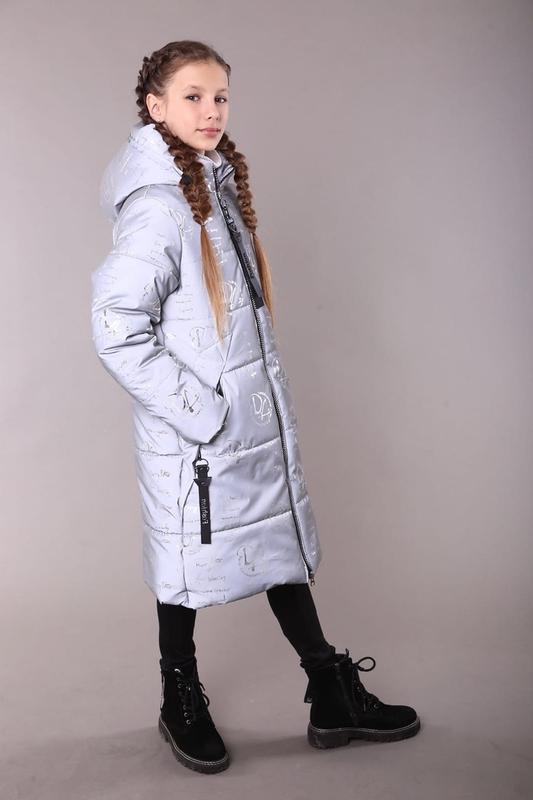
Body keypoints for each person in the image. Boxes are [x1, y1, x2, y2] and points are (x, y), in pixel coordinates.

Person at [91, 39, 420, 775]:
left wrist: (241, 412)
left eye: (220, 97)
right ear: (155, 106)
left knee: (276, 547)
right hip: (200, 441)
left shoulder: (211, 187)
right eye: (192, 97)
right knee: (182, 564)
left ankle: (329, 689)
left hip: (247, 428)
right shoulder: (158, 206)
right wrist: (203, 413)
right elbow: (116, 327)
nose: (210, 111)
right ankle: (179, 696)